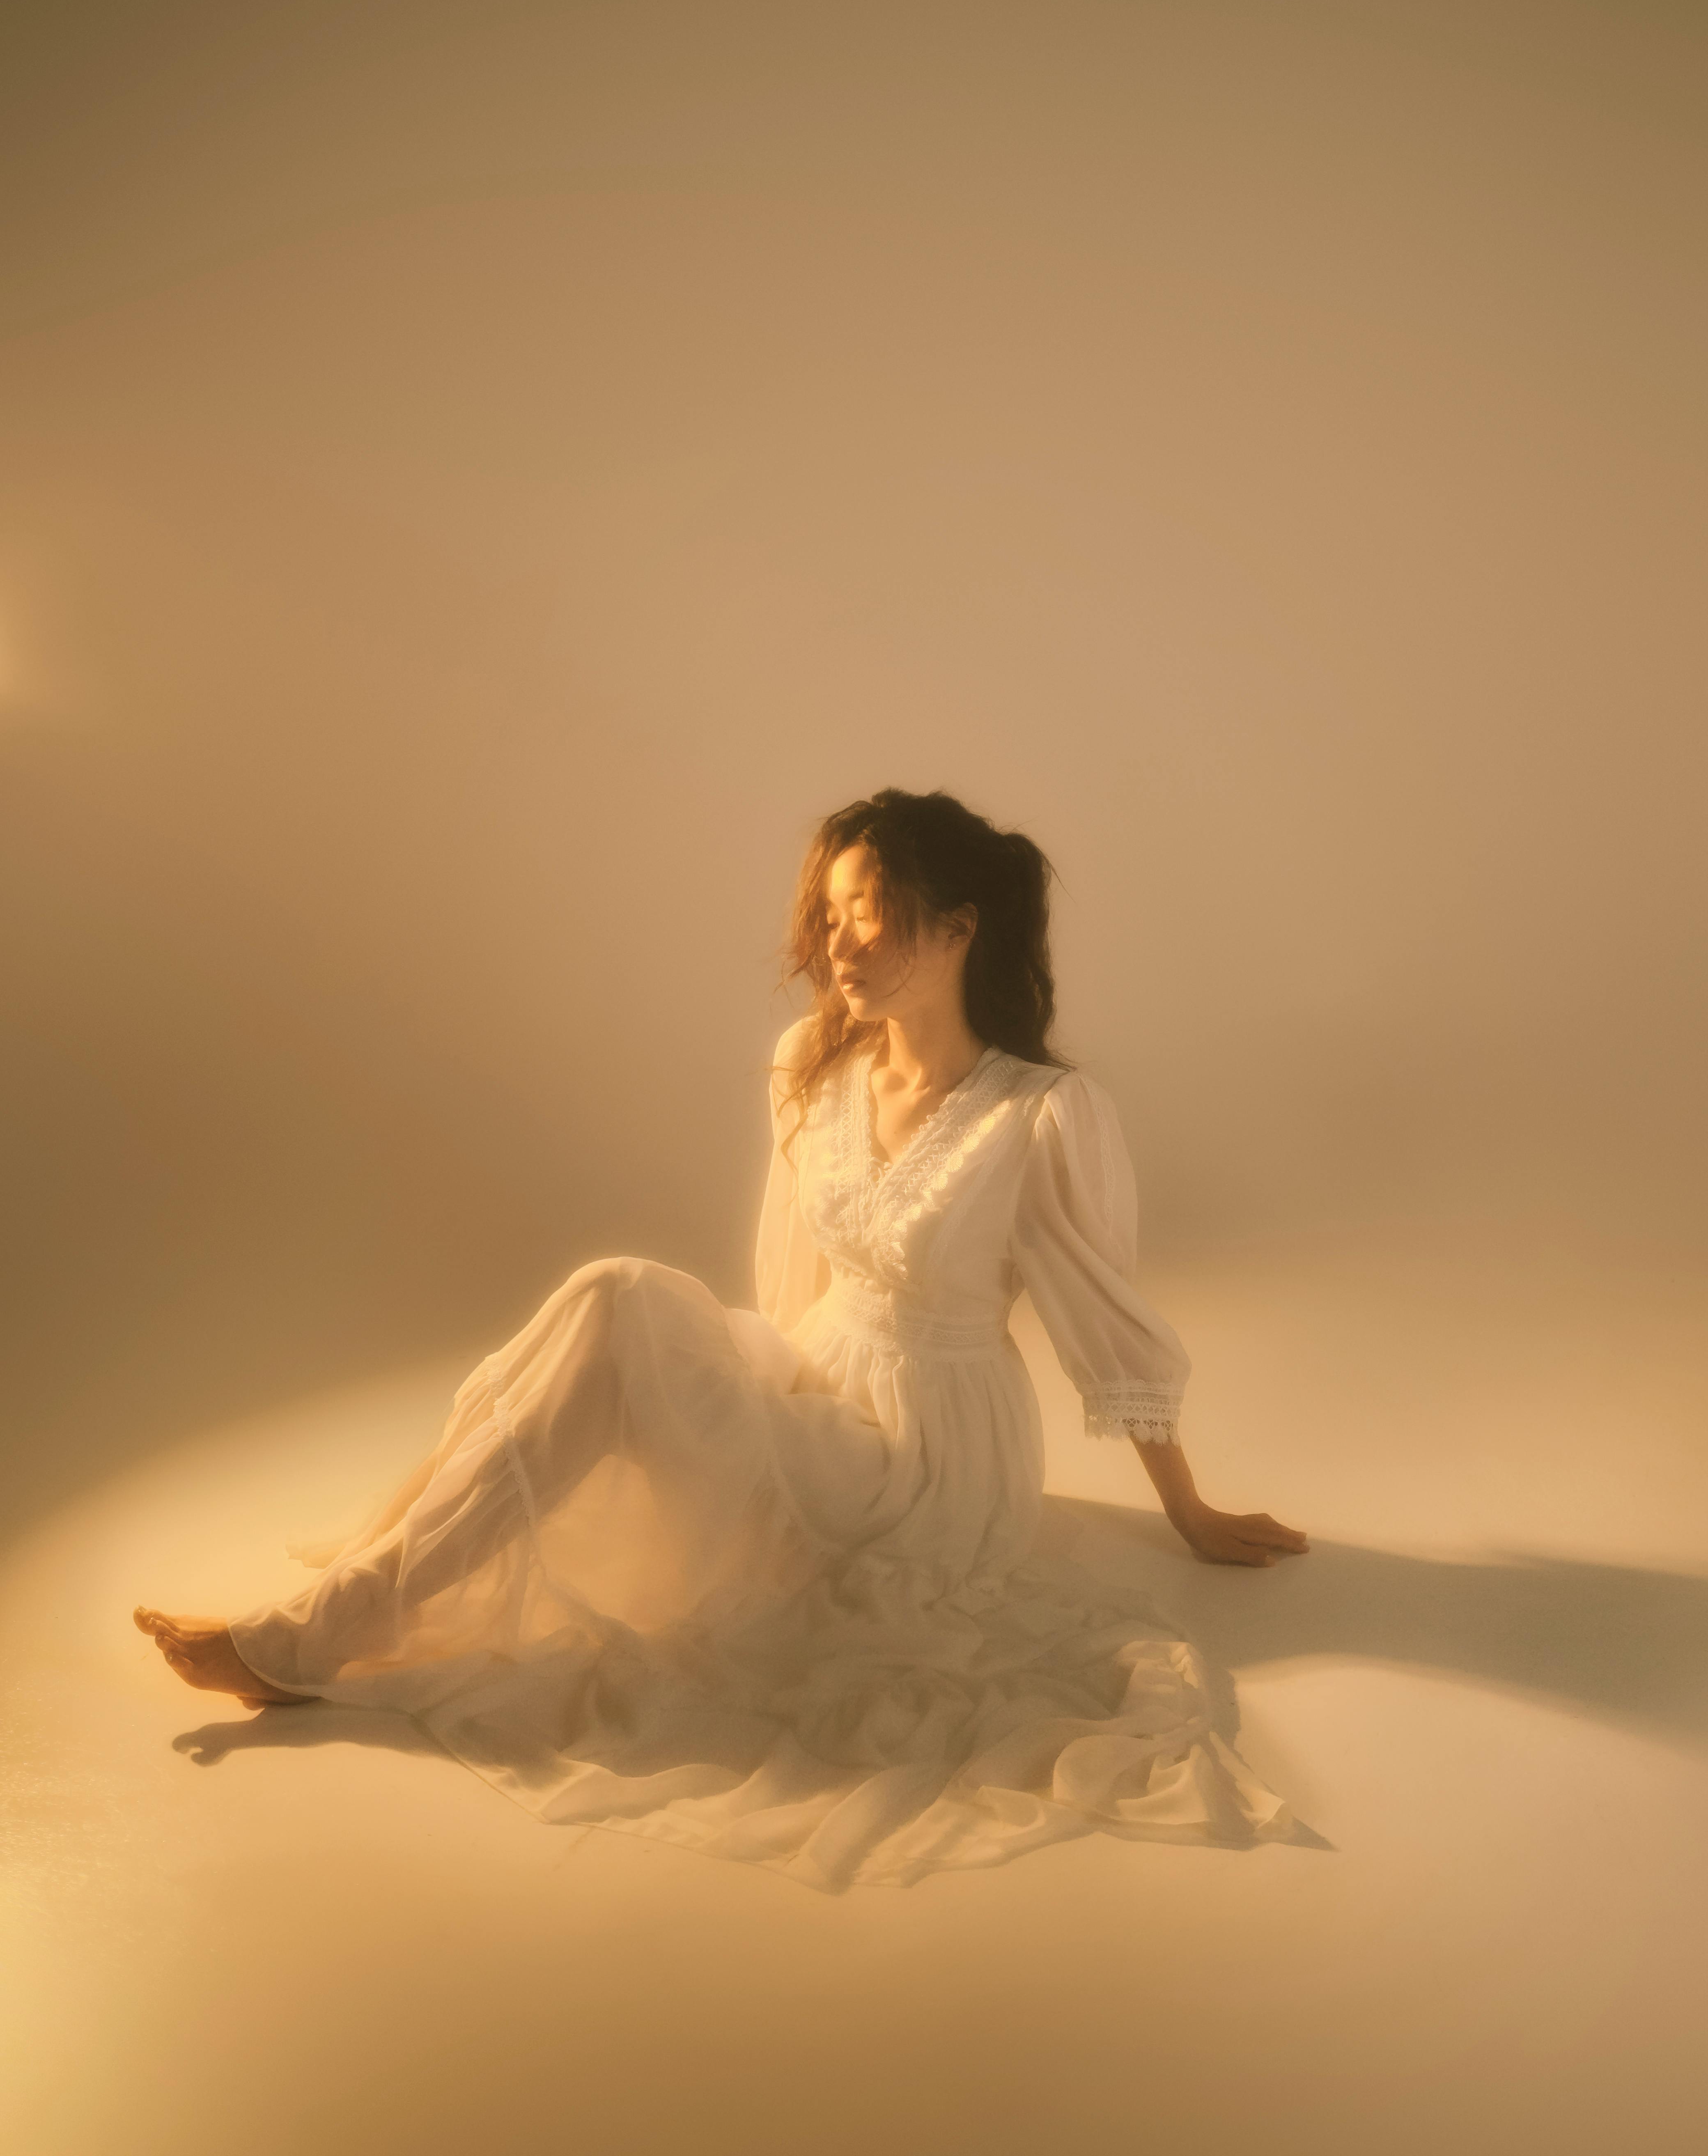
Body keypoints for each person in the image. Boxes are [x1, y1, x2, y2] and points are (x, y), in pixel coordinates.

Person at [136, 786, 1309, 1890]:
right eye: (834, 916)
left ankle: (314, 1638)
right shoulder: (812, 1066)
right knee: (616, 1304)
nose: (838, 947)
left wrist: (1189, 1509)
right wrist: (748, 1421)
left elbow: (1103, 1324)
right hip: (819, 1379)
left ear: (956, 931)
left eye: (870, 918)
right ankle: (356, 1598)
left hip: (934, 1458)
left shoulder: (1042, 1114)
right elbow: (790, 1278)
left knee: (619, 1303)